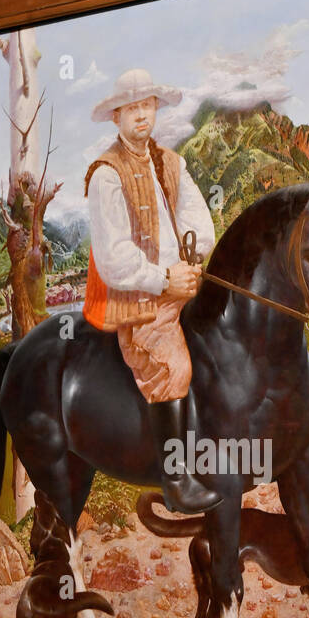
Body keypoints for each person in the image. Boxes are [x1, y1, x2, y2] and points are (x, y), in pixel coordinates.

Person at [83, 67, 221, 513]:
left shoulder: (170, 162)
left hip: (183, 281)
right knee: (175, 367)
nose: (141, 115)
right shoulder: (106, 175)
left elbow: (200, 220)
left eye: (147, 106)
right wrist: (164, 279)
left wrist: (192, 261)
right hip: (140, 298)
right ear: (117, 116)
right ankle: (176, 480)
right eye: (132, 108)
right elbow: (113, 257)